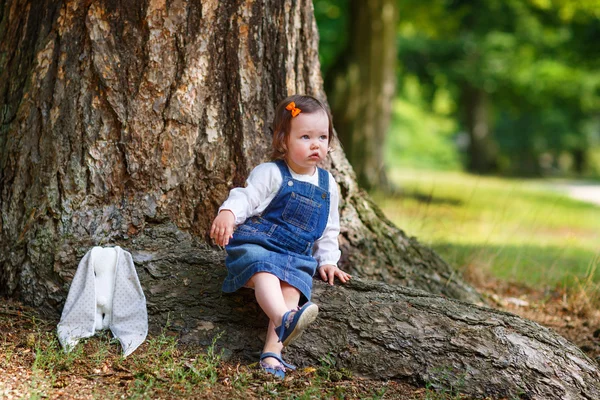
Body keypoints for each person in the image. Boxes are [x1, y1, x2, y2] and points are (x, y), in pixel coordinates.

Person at [210, 94, 352, 378]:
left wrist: (327, 260)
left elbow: (328, 228)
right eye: (305, 137)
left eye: (322, 137)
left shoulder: (328, 185)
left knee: (293, 287)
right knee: (266, 272)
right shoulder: (271, 173)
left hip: (295, 256)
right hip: (258, 246)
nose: (316, 144)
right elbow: (246, 198)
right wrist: (228, 213)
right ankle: (282, 318)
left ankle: (272, 355)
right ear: (283, 140)